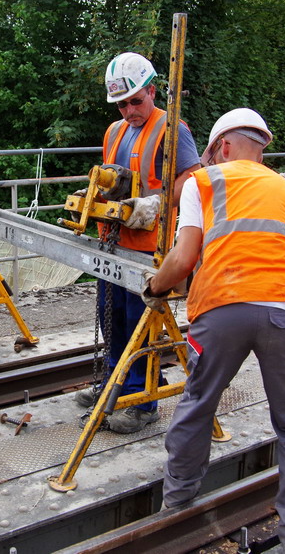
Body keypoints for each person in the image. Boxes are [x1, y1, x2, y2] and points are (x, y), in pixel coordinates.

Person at [142, 108, 285, 554]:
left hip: (221, 307)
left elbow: (183, 259)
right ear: (260, 149)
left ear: (223, 147)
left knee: (198, 405)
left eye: (212, 153)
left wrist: (154, 287)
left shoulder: (202, 183)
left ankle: (177, 505)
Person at [74, 52, 201, 434]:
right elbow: (112, 178)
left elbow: (192, 179)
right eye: (121, 104)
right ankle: (115, 384)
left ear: (152, 91)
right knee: (111, 318)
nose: (129, 111)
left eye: (135, 101)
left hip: (147, 247)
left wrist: (156, 203)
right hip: (113, 241)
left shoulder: (172, 129)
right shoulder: (114, 131)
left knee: (138, 324)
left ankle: (142, 402)